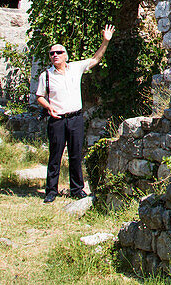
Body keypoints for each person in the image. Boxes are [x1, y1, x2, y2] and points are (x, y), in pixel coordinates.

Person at [35, 24, 113, 203]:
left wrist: (105, 42)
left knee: (76, 154)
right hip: (57, 119)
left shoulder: (76, 68)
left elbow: (95, 59)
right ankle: (51, 191)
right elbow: (39, 96)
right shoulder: (46, 75)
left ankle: (77, 189)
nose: (55, 55)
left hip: (75, 118)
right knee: (55, 155)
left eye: (58, 52)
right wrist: (49, 107)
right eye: (52, 53)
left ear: (65, 55)